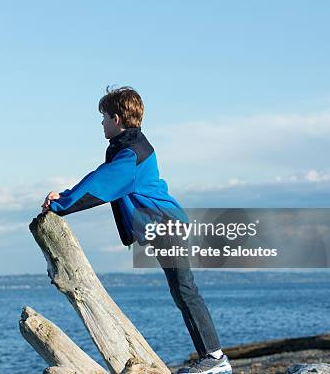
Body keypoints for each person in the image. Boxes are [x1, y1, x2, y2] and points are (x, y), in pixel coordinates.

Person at [41, 86, 232, 374]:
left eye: (104, 118)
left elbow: (101, 185)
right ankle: (212, 357)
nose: (102, 124)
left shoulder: (132, 152)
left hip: (166, 224)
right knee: (182, 292)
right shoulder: (127, 147)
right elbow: (99, 177)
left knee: (185, 291)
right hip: (162, 225)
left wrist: (61, 205)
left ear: (117, 119)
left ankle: (215, 359)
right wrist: (65, 196)